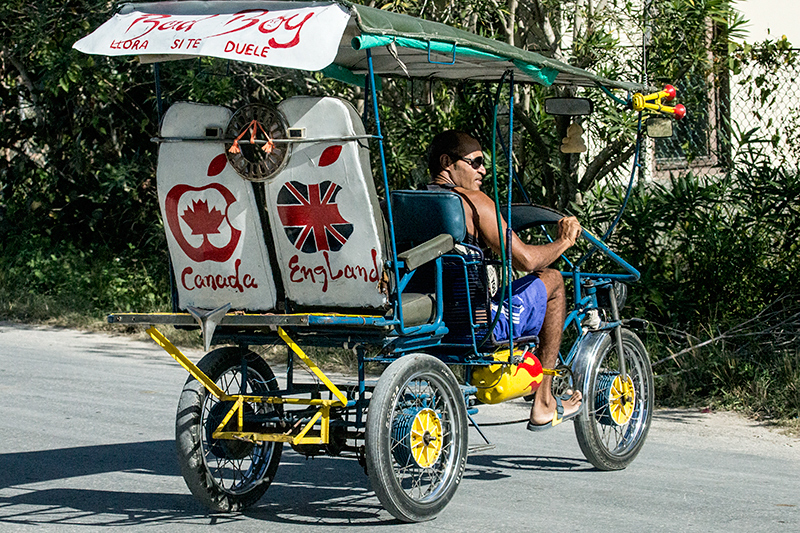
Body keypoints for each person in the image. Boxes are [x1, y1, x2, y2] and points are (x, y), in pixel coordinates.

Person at [427, 130, 583, 430]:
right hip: (475, 322)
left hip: (431, 317)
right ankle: (545, 401)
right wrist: (564, 242)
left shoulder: (401, 202)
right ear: (447, 162)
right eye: (475, 163)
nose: (483, 170)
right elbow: (526, 260)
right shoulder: (474, 201)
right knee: (552, 279)